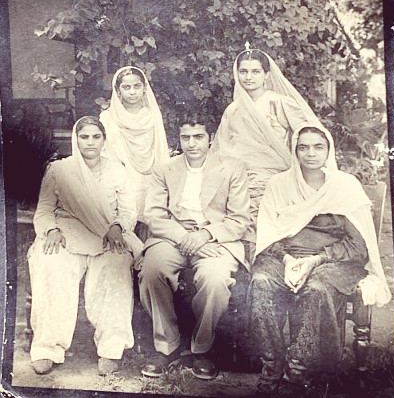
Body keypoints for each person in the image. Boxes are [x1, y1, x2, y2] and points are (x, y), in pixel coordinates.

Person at [249, 125, 391, 393]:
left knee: (316, 289)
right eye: (303, 147)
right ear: (295, 150)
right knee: (260, 282)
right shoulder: (279, 185)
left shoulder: (345, 186)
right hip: (284, 258)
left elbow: (358, 246)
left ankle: (298, 371)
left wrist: (317, 260)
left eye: (318, 147)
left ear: (329, 150)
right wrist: (288, 259)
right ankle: (272, 367)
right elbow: (268, 234)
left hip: (332, 262)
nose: (310, 153)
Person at [139, 112, 251, 380]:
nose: (192, 143)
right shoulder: (164, 169)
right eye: (185, 137)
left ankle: (202, 349)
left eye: (198, 137)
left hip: (215, 239)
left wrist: (204, 236)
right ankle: (167, 346)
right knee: (152, 271)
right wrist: (185, 239)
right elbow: (154, 216)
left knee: (215, 279)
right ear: (179, 139)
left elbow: (239, 220)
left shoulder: (233, 168)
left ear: (210, 139)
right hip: (173, 236)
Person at [28, 116, 143, 376]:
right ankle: (47, 347)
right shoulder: (59, 169)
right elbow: (44, 210)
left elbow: (128, 212)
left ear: (104, 140)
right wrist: (52, 229)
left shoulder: (118, 170)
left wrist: (117, 228)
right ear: (75, 139)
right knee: (51, 264)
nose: (90, 142)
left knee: (115, 267)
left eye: (96, 136)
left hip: (106, 235)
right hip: (67, 234)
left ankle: (110, 348)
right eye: (84, 137)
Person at [212, 47, 321, 258]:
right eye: (243, 72)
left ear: (266, 75)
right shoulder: (233, 110)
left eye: (255, 71)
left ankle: (264, 261)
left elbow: (306, 137)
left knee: (263, 217)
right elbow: (221, 149)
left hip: (274, 176)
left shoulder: (280, 103)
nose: (249, 77)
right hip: (237, 177)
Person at [100, 65, 170, 224]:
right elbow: (105, 154)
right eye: (126, 87)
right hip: (121, 175)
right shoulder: (108, 118)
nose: (132, 92)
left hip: (149, 175)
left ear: (145, 88)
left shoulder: (152, 116)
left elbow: (159, 148)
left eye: (137, 86)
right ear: (118, 91)